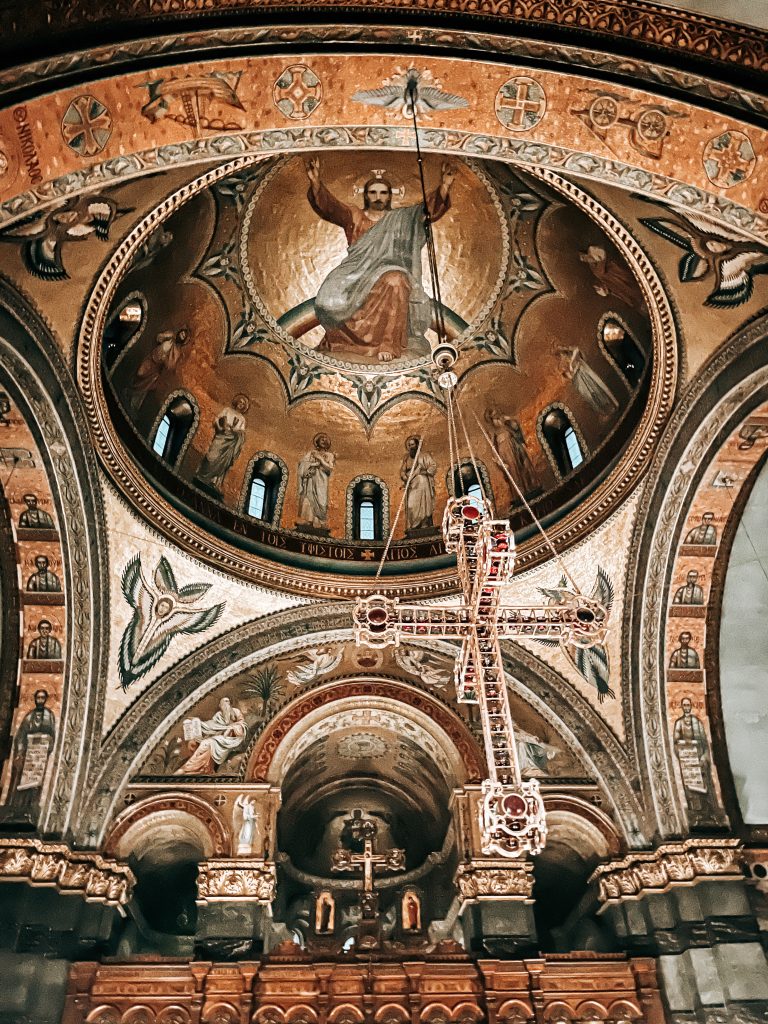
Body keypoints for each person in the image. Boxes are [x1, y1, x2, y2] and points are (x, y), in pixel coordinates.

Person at [306, 157, 455, 362]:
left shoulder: (402, 218)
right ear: (366, 195)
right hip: (355, 275)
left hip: (387, 274)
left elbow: (426, 211)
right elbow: (332, 207)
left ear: (390, 196)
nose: (378, 196)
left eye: (383, 192)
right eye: (373, 192)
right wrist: (316, 183)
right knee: (327, 300)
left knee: (397, 280)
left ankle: (388, 343)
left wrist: (444, 187)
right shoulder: (355, 216)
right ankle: (342, 341)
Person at [1, 690, 56, 823]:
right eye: (38, 697)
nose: (40, 700)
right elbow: (20, 735)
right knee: (19, 782)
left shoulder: (49, 715)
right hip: (27, 755)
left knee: (35, 783)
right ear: (35, 699)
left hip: (39, 757)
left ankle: (30, 810)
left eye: (43, 698)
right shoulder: (29, 716)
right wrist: (20, 751)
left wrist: (46, 744)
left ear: (46, 699)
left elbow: (52, 734)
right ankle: (15, 810)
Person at [193, 394, 250, 496]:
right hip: (221, 437)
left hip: (230, 443)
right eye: (240, 402)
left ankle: (214, 481)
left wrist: (235, 432)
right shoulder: (227, 410)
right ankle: (202, 475)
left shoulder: (242, 419)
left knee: (223, 462)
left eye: (243, 404)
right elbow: (216, 420)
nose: (240, 405)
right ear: (236, 402)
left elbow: (241, 433)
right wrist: (221, 427)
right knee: (212, 456)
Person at [673, 697, 717, 823]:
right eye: (684, 705)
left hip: (699, 760)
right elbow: (676, 740)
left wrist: (704, 755)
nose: (686, 707)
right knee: (691, 787)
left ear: (691, 706)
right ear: (682, 707)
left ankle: (709, 811)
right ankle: (696, 813)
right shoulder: (679, 723)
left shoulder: (697, 722)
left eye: (688, 705)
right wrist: (683, 749)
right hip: (687, 760)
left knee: (705, 785)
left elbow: (704, 740)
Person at [125, 327, 191, 413]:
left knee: (144, 384)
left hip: (156, 368)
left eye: (183, 336)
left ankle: (132, 399)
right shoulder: (170, 335)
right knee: (139, 373)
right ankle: (129, 390)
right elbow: (158, 337)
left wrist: (164, 357)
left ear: (183, 340)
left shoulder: (176, 352)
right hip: (151, 358)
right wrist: (164, 337)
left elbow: (170, 366)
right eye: (182, 333)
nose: (181, 335)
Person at [177, 697, 247, 775]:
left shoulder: (236, 711)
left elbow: (242, 724)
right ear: (220, 705)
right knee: (206, 742)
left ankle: (189, 768)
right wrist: (198, 722)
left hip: (232, 739)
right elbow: (211, 725)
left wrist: (232, 728)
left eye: (227, 701)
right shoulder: (218, 715)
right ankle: (197, 768)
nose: (226, 703)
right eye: (223, 702)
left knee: (208, 743)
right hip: (219, 737)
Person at [485, 408, 538, 501]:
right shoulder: (494, 432)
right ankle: (520, 495)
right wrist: (499, 461)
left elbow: (516, 428)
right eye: (495, 418)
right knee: (514, 473)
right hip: (505, 454)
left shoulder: (507, 426)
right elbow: (493, 447)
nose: (498, 420)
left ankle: (531, 487)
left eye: (498, 417)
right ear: (492, 420)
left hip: (516, 449)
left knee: (524, 467)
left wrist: (508, 418)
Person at [554, 344, 619, 419]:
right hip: (579, 380)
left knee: (597, 388)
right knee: (590, 396)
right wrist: (575, 367)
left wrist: (572, 363)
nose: (560, 351)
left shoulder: (571, 352)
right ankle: (604, 412)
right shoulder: (561, 365)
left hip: (585, 372)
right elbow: (570, 376)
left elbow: (576, 350)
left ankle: (612, 404)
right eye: (557, 351)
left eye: (559, 347)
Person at [579, 245, 644, 311]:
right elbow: (602, 277)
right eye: (583, 259)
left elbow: (601, 271)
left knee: (632, 287)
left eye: (584, 257)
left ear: (587, 254)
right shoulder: (592, 266)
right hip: (612, 282)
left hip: (616, 273)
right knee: (626, 294)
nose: (585, 260)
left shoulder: (598, 254)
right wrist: (602, 287)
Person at [296, 433, 335, 530]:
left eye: (325, 440)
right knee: (308, 497)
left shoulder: (329, 455)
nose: (324, 441)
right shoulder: (311, 453)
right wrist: (311, 466)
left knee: (321, 500)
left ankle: (319, 522)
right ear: (317, 442)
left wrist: (320, 459)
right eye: (321, 439)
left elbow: (330, 468)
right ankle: (308, 520)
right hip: (310, 479)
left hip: (322, 480)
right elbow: (302, 464)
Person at [401, 435, 437, 533]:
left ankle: (424, 524)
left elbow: (433, 465)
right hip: (411, 484)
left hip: (422, 482)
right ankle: (414, 525)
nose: (410, 447)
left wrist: (426, 472)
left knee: (424, 503)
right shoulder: (407, 458)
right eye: (409, 445)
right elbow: (403, 471)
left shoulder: (424, 455)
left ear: (417, 445)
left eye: (412, 444)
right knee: (411, 506)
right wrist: (405, 477)